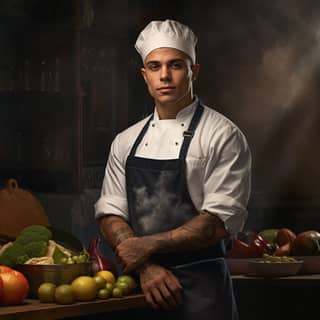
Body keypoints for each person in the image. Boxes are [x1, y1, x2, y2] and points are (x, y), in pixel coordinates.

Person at [95, 19, 251, 320]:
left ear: (193, 71)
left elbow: (218, 221)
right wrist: (146, 266)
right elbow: (111, 212)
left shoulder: (222, 135)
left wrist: (145, 247)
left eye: (175, 65)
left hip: (203, 292)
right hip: (140, 288)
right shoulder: (125, 141)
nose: (164, 75)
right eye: (154, 66)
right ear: (144, 75)